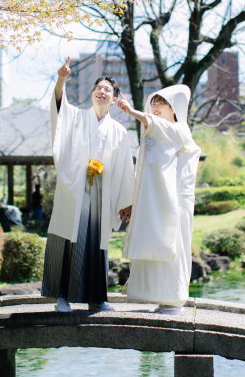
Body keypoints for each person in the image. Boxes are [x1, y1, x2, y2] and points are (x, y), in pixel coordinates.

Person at [42, 57, 135, 312]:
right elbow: (59, 108)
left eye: (108, 89)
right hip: (75, 189)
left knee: (96, 244)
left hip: (103, 192)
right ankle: (61, 296)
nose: (102, 91)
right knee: (67, 240)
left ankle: (97, 298)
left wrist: (126, 201)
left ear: (114, 100)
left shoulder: (119, 131)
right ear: (93, 93)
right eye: (99, 87)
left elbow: (127, 167)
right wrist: (61, 79)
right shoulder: (75, 118)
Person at [117, 86, 202, 315]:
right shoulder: (156, 135)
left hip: (177, 201)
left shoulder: (179, 130)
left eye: (161, 104)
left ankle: (174, 300)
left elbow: (155, 124)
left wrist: (130, 111)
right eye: (153, 104)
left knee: (174, 247)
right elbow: (145, 173)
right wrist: (133, 203)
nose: (155, 108)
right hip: (156, 201)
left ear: (174, 109)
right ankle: (158, 297)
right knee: (155, 243)